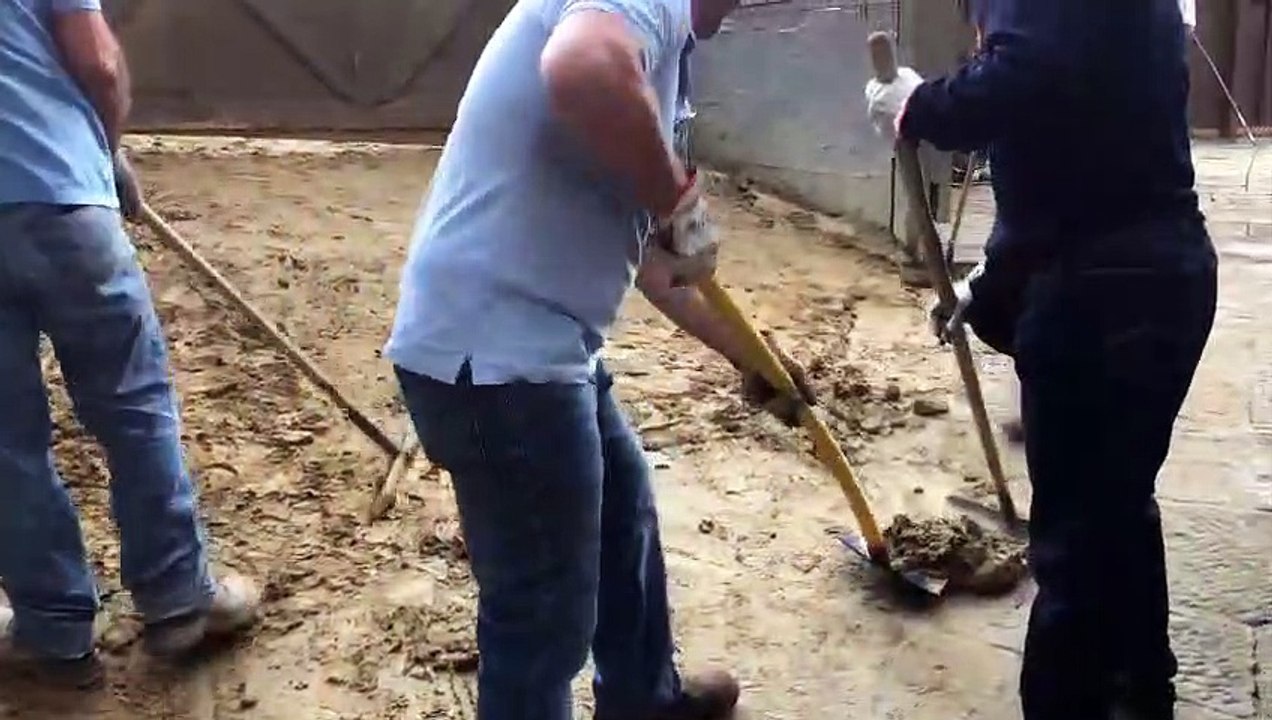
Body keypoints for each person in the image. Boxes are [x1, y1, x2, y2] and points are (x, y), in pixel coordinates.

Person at [385, 0, 818, 717]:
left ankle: (644, 699)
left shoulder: (665, 44)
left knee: (624, 513)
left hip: (538, 351)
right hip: (499, 363)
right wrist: (677, 198)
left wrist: (753, 356)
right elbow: (582, 68)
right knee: (543, 619)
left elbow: (655, 258)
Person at [867, 1, 1217, 719]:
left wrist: (919, 106)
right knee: (1116, 508)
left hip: (1106, 296)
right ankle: (1142, 694)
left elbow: (1023, 80)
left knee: (1075, 546)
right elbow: (1075, 149)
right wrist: (989, 284)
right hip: (1160, 272)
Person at [0, 0, 259, 688]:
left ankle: (52, 628)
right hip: (60, 198)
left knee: (4, 440)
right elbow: (98, 61)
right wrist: (106, 152)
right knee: (133, 405)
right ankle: (178, 601)